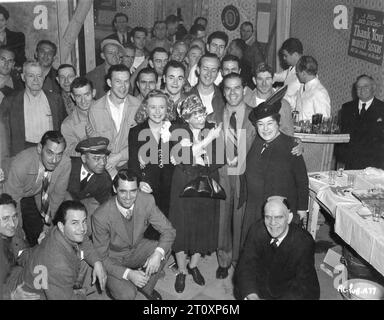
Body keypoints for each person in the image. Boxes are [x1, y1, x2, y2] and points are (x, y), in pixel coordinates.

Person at [91, 168, 176, 300]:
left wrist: (158, 253)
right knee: (127, 294)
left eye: (133, 191)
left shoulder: (146, 201)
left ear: (138, 189)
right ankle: (112, 285)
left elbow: (169, 231)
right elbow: (101, 258)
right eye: (123, 191)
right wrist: (129, 274)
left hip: (136, 250)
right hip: (113, 259)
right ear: (114, 189)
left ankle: (146, 288)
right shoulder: (101, 216)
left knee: (164, 248)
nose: (128, 197)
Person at [168, 94, 223, 293]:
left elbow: (218, 157)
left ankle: (193, 266)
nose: (200, 117)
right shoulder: (177, 130)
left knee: (203, 224)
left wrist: (198, 155)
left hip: (206, 182)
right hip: (182, 183)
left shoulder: (211, 127)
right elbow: (180, 156)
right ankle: (182, 270)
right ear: (186, 118)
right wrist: (207, 142)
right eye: (195, 114)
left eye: (201, 112)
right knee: (181, 226)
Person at [240, 101, 308, 248]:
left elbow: (302, 179)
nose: (265, 129)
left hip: (276, 210)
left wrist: (302, 209)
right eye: (260, 124)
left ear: (278, 123)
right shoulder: (256, 141)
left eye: (270, 123)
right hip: (254, 206)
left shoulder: (291, 146)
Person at [234, 197, 320, 300]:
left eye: (279, 217)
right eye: (268, 217)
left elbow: (304, 286)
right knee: (241, 287)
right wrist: (252, 295)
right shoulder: (257, 230)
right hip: (260, 289)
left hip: (288, 293)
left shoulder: (303, 241)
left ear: (289, 218)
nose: (272, 223)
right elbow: (245, 265)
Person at [19, 200, 107, 300]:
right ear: (61, 226)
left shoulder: (57, 231)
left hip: (48, 281)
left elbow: (84, 239)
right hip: (38, 295)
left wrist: (97, 261)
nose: (82, 228)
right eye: (75, 223)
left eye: (84, 221)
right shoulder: (57, 264)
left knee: (89, 265)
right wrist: (81, 295)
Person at [216, 73, 256, 279]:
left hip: (244, 175)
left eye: (237, 88)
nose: (233, 93)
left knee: (241, 219)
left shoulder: (254, 116)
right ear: (223, 92)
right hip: (222, 174)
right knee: (222, 218)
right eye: (228, 88)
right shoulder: (214, 116)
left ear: (244, 90)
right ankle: (223, 259)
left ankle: (239, 261)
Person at [3, 131, 71, 246]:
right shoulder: (21, 164)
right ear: (40, 148)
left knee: (39, 236)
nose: (54, 160)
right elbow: (12, 202)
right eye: (50, 153)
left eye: (59, 154)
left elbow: (57, 197)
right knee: (14, 235)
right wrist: (18, 232)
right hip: (8, 192)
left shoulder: (65, 163)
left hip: (35, 193)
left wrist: (47, 226)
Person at [129, 90, 175, 239]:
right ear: (145, 109)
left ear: (167, 109)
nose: (157, 112)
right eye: (152, 107)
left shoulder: (173, 129)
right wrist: (140, 182)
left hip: (170, 186)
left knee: (168, 226)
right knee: (148, 230)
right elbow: (133, 163)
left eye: (161, 107)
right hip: (147, 186)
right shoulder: (136, 131)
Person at [0, 61, 66, 157]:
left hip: (50, 152)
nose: (36, 80)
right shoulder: (10, 102)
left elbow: (62, 127)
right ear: (23, 77)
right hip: (22, 153)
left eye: (39, 76)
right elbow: (2, 135)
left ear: (43, 77)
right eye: (31, 76)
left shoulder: (55, 99)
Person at [86, 64, 141, 178]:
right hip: (104, 165)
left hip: (131, 162)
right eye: (118, 82)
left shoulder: (137, 106)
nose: (123, 87)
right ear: (109, 83)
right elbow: (95, 144)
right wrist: (112, 173)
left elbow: (140, 142)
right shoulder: (95, 109)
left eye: (126, 81)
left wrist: (119, 156)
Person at [338, 74, 384, 169]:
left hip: (374, 164)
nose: (361, 89)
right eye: (358, 87)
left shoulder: (382, 108)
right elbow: (342, 133)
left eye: (365, 86)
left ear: (373, 88)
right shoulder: (347, 108)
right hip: (350, 162)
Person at [0, 193, 40, 300]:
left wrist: (42, 247)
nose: (13, 224)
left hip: (12, 277)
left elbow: (22, 255)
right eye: (5, 218)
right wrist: (12, 296)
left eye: (14, 216)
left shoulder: (14, 233)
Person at [67, 137, 112, 224]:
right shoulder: (68, 167)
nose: (103, 163)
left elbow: (105, 206)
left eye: (105, 158)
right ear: (84, 158)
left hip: (82, 210)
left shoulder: (104, 179)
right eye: (96, 158)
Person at [244, 62, 294, 136]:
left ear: (273, 80)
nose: (264, 83)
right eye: (260, 79)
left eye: (267, 79)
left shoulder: (284, 105)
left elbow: (289, 134)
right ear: (254, 80)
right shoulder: (245, 102)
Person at [61, 77, 96, 158]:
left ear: (93, 93)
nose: (83, 101)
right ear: (73, 97)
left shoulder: (108, 111)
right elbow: (69, 153)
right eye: (78, 96)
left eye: (87, 95)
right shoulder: (67, 124)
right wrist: (87, 141)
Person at [188, 53, 225, 125]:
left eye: (213, 70)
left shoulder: (225, 97)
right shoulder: (187, 97)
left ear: (217, 74)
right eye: (205, 69)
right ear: (198, 70)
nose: (209, 74)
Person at [295, 55, 331, 121]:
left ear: (303, 73)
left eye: (297, 73)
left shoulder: (319, 93)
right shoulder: (302, 87)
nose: (297, 75)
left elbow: (324, 121)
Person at [273, 38, 303, 110]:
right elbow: (283, 75)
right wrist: (270, 78)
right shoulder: (293, 67)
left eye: (286, 56)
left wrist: (274, 92)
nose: (283, 58)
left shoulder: (302, 75)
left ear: (295, 55)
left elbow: (290, 96)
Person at [0, 5, 26, 70]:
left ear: (6, 21)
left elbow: (21, 59)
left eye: (2, 20)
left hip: (13, 72)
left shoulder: (18, 37)